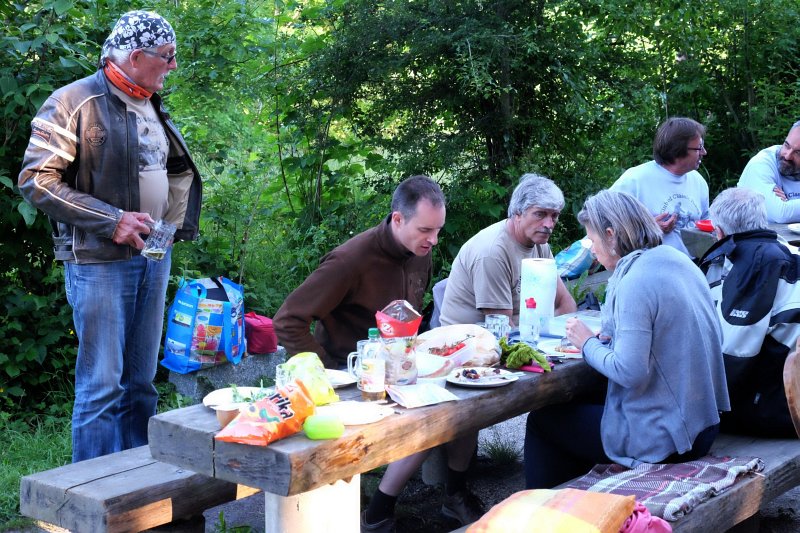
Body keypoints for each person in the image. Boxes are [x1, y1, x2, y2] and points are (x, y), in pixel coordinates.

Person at [17, 11, 202, 462]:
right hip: (99, 261)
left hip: (153, 256)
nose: (173, 66)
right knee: (103, 386)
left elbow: (168, 171)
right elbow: (36, 180)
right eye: (167, 56)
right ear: (136, 57)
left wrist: (172, 227)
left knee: (141, 382)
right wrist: (113, 219)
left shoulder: (149, 99)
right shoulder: (74, 101)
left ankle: (139, 497)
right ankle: (92, 503)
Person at [524, 190, 729, 489]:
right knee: (581, 400)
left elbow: (629, 372)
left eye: (592, 241)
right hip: (705, 424)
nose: (592, 250)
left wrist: (586, 343)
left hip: (670, 441)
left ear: (610, 235)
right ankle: (585, 499)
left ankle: (545, 513)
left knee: (544, 419)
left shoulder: (635, 280)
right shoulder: (678, 260)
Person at [273, 175, 446, 368]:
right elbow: (288, 321)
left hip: (401, 370)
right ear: (398, 219)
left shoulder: (421, 251)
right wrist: (328, 372)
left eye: (438, 230)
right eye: (425, 230)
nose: (433, 240)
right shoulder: (349, 261)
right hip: (350, 371)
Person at [700, 187, 800, 438]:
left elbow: (735, 355)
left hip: (785, 406)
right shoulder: (783, 248)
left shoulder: (754, 265)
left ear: (719, 231)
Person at [439, 173, 577, 327]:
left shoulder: (540, 244)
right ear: (517, 213)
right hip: (467, 343)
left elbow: (565, 304)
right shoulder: (492, 252)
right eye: (540, 214)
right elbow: (503, 329)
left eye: (555, 216)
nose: (549, 224)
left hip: (519, 333)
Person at [611, 117, 709, 256]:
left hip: (692, 268)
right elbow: (602, 225)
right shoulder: (635, 180)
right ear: (678, 150)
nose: (704, 152)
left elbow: (705, 221)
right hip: (648, 270)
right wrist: (648, 230)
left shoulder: (697, 181)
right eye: (699, 148)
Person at [738, 120, 800, 223]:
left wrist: (790, 205)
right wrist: (787, 208)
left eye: (798, 153)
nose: (787, 156)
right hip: (751, 238)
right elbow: (781, 214)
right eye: (786, 145)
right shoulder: (761, 164)